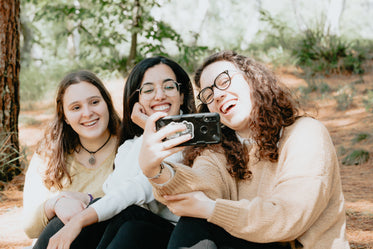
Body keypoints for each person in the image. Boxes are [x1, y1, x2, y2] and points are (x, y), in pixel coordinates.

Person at [139, 51, 350, 249]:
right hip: (248, 242)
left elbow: (288, 218)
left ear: (252, 79)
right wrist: (155, 170)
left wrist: (211, 209)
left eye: (224, 81)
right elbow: (199, 186)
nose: (218, 95)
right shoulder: (217, 151)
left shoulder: (304, 133)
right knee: (140, 222)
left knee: (198, 222)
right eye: (209, 94)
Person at [42, 56, 196, 249]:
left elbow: (138, 190)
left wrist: (80, 221)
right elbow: (114, 191)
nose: (159, 95)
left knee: (127, 222)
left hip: (175, 234)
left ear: (181, 95)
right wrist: (146, 133)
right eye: (148, 89)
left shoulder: (188, 138)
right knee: (62, 223)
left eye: (169, 87)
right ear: (136, 100)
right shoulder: (130, 145)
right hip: (132, 223)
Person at [22, 70, 121, 244]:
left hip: (113, 242)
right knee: (62, 221)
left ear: (107, 103)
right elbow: (30, 228)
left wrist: (88, 203)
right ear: (65, 117)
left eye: (94, 102)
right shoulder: (49, 154)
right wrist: (55, 204)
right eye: (76, 107)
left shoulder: (129, 146)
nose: (87, 113)